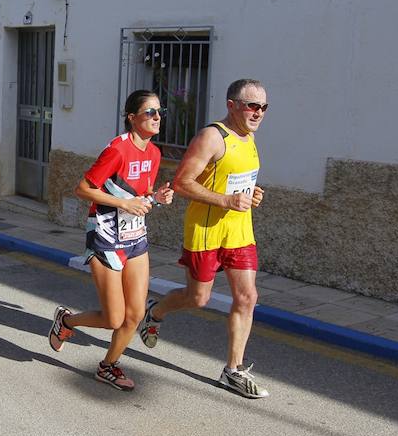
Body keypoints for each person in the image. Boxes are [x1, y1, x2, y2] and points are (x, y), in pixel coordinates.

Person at [139, 78, 270, 399]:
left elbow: (236, 179)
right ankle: (155, 313)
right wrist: (226, 200)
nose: (259, 113)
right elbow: (182, 183)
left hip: (239, 232)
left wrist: (251, 195)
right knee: (199, 298)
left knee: (247, 297)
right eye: (252, 106)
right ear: (231, 105)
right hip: (206, 233)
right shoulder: (212, 137)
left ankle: (233, 371)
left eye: (264, 107)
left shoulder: (249, 137)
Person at [48, 90, 173, 390]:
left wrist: (155, 198)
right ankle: (67, 322)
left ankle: (108, 366)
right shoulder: (117, 150)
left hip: (135, 237)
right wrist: (125, 205)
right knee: (115, 318)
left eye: (159, 111)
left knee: (136, 313)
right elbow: (82, 189)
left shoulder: (154, 153)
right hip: (106, 235)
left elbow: (137, 196)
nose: (157, 117)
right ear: (132, 118)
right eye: (149, 112)